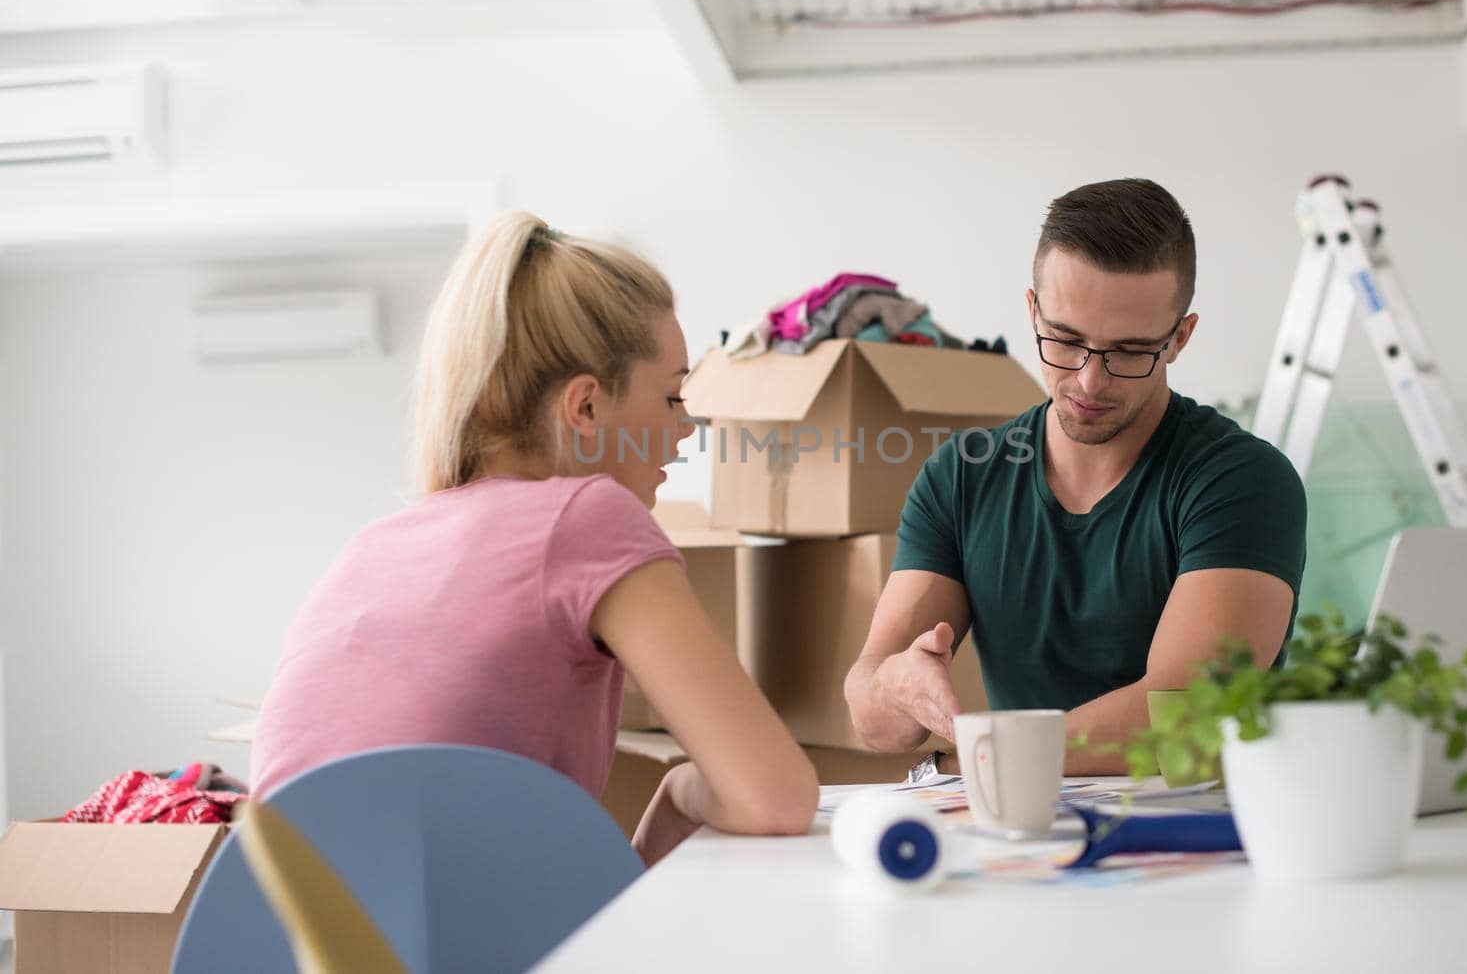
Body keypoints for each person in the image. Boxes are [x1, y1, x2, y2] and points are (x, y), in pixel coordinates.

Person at [251, 213, 818, 863]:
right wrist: (686, 787)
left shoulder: (375, 544)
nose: (687, 428)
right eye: (671, 397)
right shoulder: (588, 516)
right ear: (585, 408)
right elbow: (775, 799)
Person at [844, 178, 1307, 774]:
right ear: (1033, 311)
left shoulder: (1241, 481)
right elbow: (871, 718)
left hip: (1194, 837)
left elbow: (1185, 720)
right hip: (1021, 826)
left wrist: (984, 760)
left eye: (1130, 351)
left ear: (1179, 339)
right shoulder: (962, 476)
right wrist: (895, 688)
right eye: (1064, 340)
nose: (1090, 381)